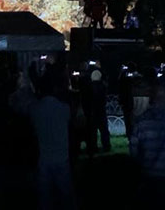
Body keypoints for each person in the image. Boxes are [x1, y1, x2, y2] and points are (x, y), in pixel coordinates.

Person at [28, 65, 77, 210]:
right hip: (61, 158)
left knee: (44, 198)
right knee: (66, 197)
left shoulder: (35, 108)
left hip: (44, 159)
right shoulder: (64, 108)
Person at [87, 69, 111, 154]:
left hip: (93, 111)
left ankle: (93, 147)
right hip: (101, 110)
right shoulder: (103, 86)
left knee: (93, 131)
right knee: (104, 129)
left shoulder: (89, 87)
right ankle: (106, 146)